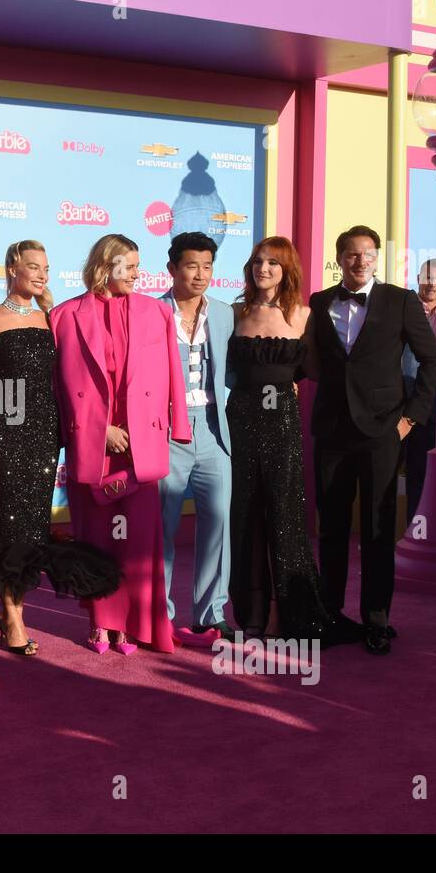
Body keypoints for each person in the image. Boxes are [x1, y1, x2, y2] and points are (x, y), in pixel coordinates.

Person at [0, 241, 119, 656]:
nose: (41, 275)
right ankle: (12, 616)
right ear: (11, 268)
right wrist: (7, 395)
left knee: (33, 525)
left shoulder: (52, 319)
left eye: (47, 269)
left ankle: (13, 610)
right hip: (7, 432)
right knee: (8, 522)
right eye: (33, 267)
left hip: (45, 434)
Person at [52, 234, 190, 655]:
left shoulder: (157, 313)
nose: (136, 273)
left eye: (137, 266)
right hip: (93, 447)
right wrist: (98, 431)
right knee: (96, 540)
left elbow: (172, 374)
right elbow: (58, 388)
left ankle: (131, 625)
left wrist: (178, 426)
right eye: (128, 266)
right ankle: (100, 623)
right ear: (105, 265)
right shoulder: (63, 316)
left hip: (140, 446)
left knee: (136, 544)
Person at [308, 225, 436, 655]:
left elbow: (432, 361)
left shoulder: (400, 301)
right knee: (330, 530)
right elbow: (311, 362)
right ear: (339, 258)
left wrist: (410, 420)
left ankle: (377, 621)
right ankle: (328, 617)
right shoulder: (319, 302)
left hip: (383, 432)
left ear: (377, 258)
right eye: (351, 253)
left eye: (367, 253)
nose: (360, 260)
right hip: (332, 432)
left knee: (378, 531)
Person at [227, 236, 354, 644]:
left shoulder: (302, 315)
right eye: (257, 262)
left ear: (287, 271)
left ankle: (289, 611)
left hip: (281, 424)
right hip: (240, 422)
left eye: (272, 264)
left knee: (285, 519)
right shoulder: (234, 312)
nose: (262, 269)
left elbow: (317, 368)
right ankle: (252, 614)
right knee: (245, 519)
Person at [156, 231, 235, 645]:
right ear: (171, 269)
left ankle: (211, 613)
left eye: (207, 266)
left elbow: (235, 370)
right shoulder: (150, 312)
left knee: (218, 522)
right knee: (162, 528)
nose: (201, 274)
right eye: (191, 265)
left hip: (213, 427)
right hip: (166, 430)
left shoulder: (224, 314)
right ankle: (159, 613)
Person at [403, 258, 436, 523]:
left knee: (430, 471)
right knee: (400, 471)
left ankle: (428, 529)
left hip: (435, 405)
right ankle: (405, 533)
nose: (432, 283)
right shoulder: (402, 308)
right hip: (401, 399)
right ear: (418, 278)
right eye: (427, 277)